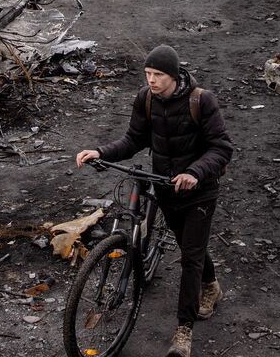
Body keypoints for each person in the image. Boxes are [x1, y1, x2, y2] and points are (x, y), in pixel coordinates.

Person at [76, 46, 233, 357]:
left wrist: (194, 172)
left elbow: (221, 148)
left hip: (199, 191)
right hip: (165, 187)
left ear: (173, 76)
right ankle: (212, 284)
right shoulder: (145, 99)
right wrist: (101, 152)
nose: (151, 80)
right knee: (191, 245)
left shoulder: (201, 101)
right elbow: (134, 139)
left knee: (190, 258)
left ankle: (183, 331)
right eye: (147, 74)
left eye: (158, 75)